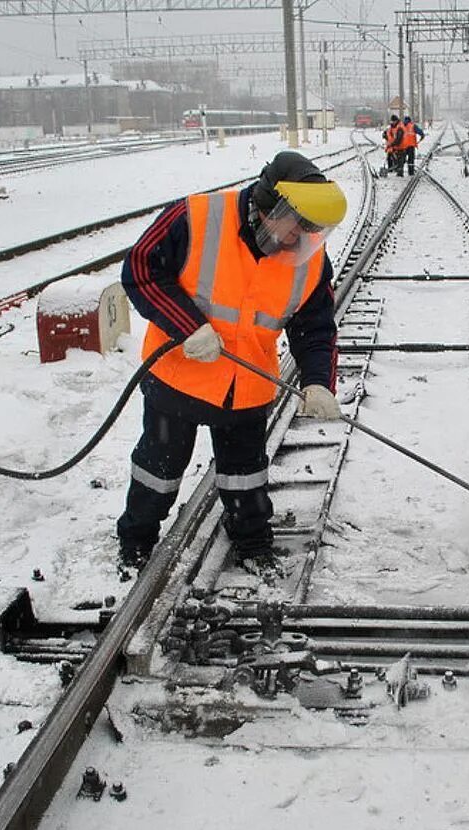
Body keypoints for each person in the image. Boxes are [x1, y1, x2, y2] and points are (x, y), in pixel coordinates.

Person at [116, 151, 347, 575]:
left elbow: (315, 326)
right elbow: (140, 270)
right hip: (178, 377)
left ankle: (253, 542)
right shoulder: (196, 217)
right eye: (295, 223)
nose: (301, 236)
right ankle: (136, 541)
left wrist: (318, 382)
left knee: (246, 475)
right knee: (157, 470)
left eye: (310, 229)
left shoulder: (309, 254)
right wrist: (189, 326)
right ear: (266, 206)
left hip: (246, 386)